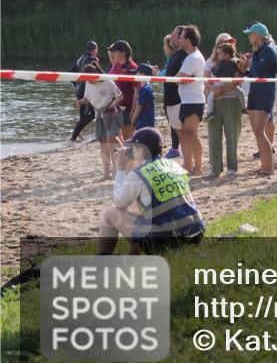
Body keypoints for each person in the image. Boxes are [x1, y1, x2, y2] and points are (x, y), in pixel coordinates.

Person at [97, 128, 205, 256]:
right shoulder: (174, 166)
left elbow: (119, 202)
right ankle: (133, 257)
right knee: (137, 208)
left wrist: (120, 170)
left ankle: (103, 258)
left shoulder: (139, 174)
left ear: (142, 150)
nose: (131, 150)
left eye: (134, 147)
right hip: (196, 234)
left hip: (166, 242)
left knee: (111, 213)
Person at [237, 22, 277, 176]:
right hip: (255, 92)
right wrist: (243, 70)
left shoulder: (268, 50)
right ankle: (264, 166)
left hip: (265, 93)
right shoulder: (257, 51)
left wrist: (248, 65)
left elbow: (258, 69)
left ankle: (269, 168)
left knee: (260, 132)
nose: (249, 36)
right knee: (257, 132)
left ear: (258, 35)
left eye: (251, 34)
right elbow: (253, 74)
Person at [81, 63, 124, 180]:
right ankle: (106, 174)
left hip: (112, 114)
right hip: (99, 116)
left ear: (95, 74)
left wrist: (111, 105)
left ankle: (119, 169)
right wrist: (81, 101)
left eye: (89, 78)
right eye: (85, 78)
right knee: (103, 145)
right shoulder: (87, 83)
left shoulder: (108, 82)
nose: (87, 81)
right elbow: (87, 98)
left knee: (112, 140)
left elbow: (120, 96)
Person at [206, 41, 242, 177]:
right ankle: (215, 167)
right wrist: (215, 90)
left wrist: (223, 90)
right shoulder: (210, 62)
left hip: (231, 100)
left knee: (231, 134)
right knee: (214, 135)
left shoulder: (235, 62)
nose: (218, 53)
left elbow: (237, 80)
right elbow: (205, 79)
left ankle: (232, 167)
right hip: (215, 100)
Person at [175, 25, 206, 174]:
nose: (179, 40)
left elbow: (177, 79)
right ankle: (188, 165)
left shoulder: (193, 57)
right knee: (186, 134)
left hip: (194, 101)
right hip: (187, 100)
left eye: (182, 37)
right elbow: (180, 79)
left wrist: (182, 79)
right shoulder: (190, 57)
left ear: (188, 40)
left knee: (192, 134)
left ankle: (198, 167)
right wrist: (182, 79)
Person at [107, 40, 139, 144]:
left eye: (115, 52)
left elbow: (137, 91)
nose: (113, 54)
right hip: (114, 108)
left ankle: (128, 159)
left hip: (127, 110)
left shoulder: (133, 68)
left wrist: (133, 110)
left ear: (123, 53)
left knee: (127, 140)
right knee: (112, 138)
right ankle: (121, 158)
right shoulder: (115, 65)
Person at [162, 26, 186, 159]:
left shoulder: (185, 55)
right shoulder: (174, 56)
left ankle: (181, 152)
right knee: (174, 126)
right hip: (170, 98)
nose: (172, 37)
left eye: (174, 35)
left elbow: (181, 78)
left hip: (178, 98)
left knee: (181, 130)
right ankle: (178, 150)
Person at [70, 40, 100, 142]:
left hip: (79, 91)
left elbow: (70, 74)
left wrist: (77, 85)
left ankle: (78, 131)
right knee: (89, 115)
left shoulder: (79, 59)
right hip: (86, 91)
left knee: (88, 115)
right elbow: (97, 76)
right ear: (95, 50)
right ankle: (73, 137)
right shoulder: (93, 59)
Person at [130, 64, 156, 131]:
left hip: (143, 121)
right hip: (149, 119)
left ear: (143, 74)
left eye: (137, 73)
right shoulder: (148, 87)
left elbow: (139, 106)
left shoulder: (144, 89)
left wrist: (133, 119)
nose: (135, 75)